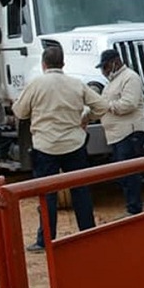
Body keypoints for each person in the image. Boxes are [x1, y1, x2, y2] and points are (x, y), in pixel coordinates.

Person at [13, 46, 108, 253]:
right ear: (63, 64)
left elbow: (20, 111)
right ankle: (87, 233)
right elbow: (102, 107)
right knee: (80, 191)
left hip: (45, 146)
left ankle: (45, 240)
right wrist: (85, 118)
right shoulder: (76, 84)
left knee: (47, 195)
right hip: (74, 144)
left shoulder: (36, 84)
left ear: (44, 64)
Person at [95, 49, 144, 217]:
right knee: (123, 174)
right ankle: (131, 207)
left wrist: (107, 106)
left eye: (104, 67)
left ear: (114, 63)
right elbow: (101, 105)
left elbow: (128, 104)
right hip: (117, 134)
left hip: (129, 132)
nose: (103, 71)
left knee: (129, 173)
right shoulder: (112, 83)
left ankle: (134, 209)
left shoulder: (130, 78)